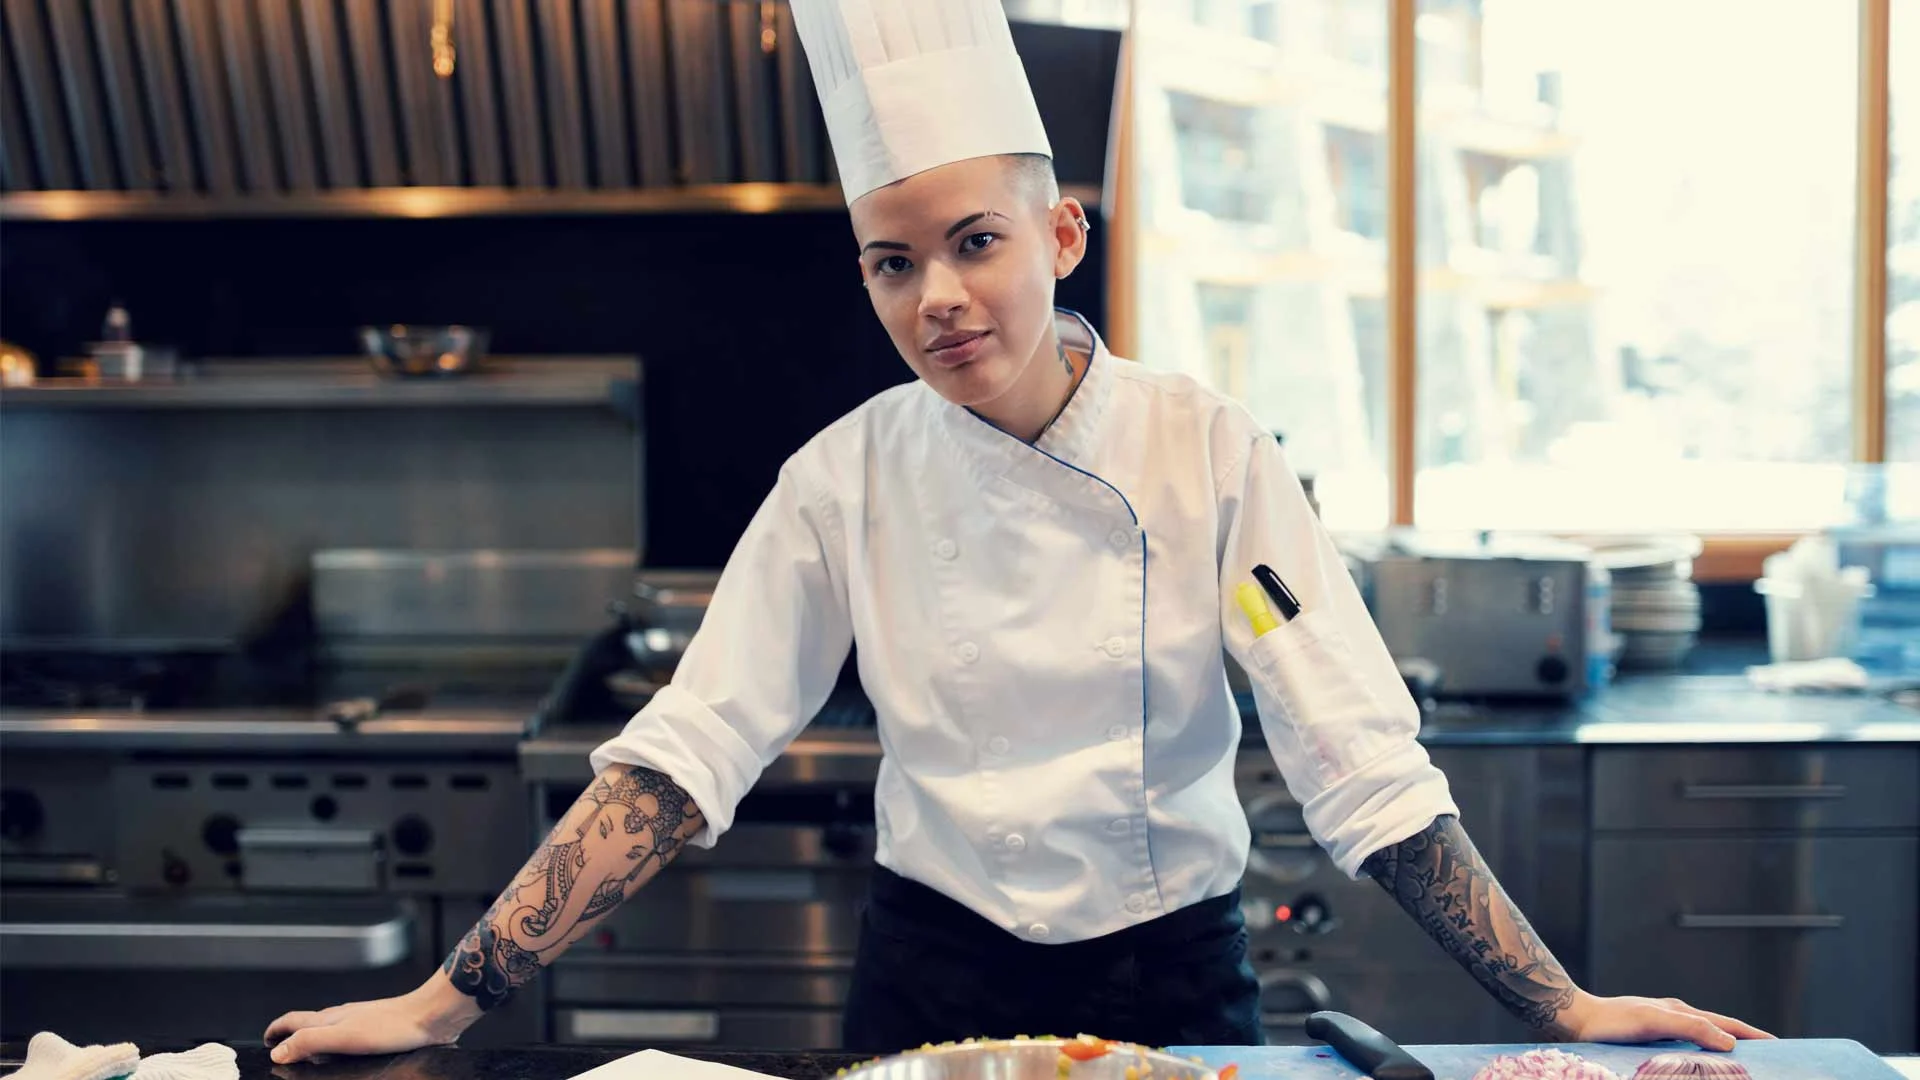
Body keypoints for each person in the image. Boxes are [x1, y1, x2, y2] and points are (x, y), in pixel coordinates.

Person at [265, 0, 1770, 1062]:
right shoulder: (842, 482)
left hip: (1177, 972)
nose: (937, 298)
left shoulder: (1204, 458)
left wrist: (1557, 1006)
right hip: (929, 978)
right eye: (892, 260)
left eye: (976, 242)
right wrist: (444, 1004)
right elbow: (685, 754)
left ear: (1061, 235)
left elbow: (1353, 759)